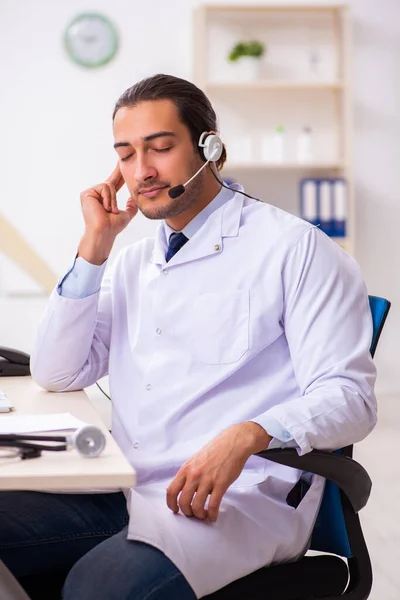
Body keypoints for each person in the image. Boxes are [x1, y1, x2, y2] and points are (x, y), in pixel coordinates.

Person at [0, 74, 377, 600]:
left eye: (160, 148)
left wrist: (249, 433)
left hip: (233, 496)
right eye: (126, 155)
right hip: (127, 484)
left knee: (96, 588)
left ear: (210, 147)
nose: (141, 172)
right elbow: (57, 371)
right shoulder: (134, 261)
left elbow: (351, 398)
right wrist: (94, 247)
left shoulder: (296, 249)